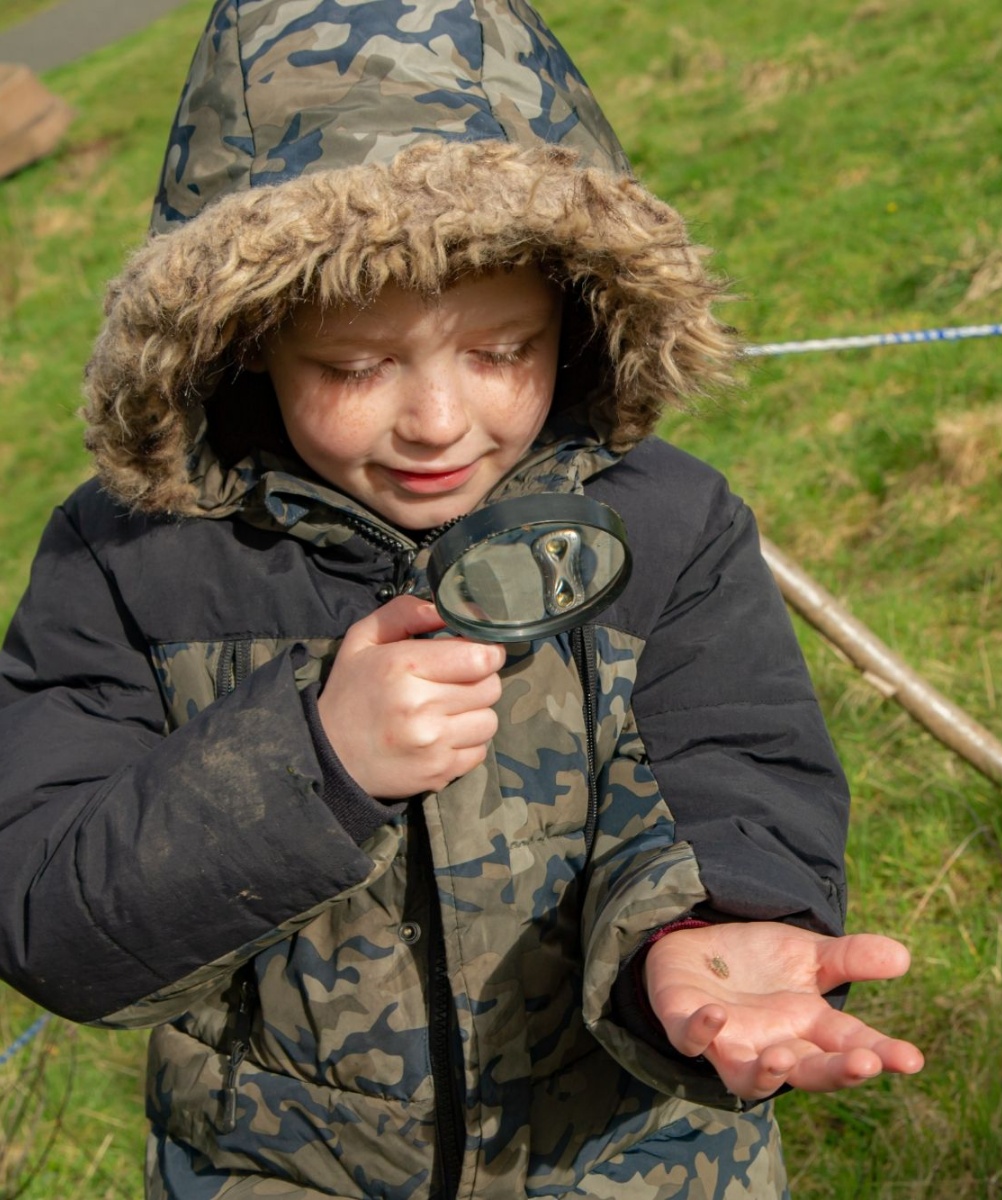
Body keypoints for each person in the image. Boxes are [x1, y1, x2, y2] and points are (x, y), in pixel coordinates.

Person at [0, 1, 922, 1196]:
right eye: (354, 366)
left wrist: (710, 934)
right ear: (238, 343)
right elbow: (55, 921)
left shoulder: (669, 527)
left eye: (502, 351)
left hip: (637, 1160)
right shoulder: (129, 563)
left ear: (583, 312)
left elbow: (737, 775)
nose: (439, 422)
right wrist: (311, 761)